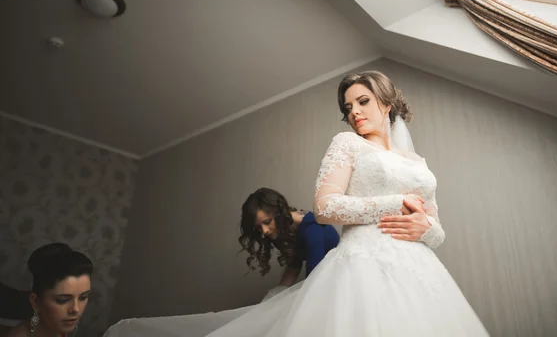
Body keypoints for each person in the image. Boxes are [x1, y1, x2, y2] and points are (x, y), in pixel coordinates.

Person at [103, 70, 487, 337]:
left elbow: (436, 228)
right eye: (347, 106)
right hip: (362, 266)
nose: (353, 111)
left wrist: (427, 229)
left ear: (387, 103)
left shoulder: (418, 164)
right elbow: (325, 207)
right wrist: (394, 202)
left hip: (420, 272)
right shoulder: (347, 144)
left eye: (363, 101)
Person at [239, 187, 340, 301]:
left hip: (336, 279)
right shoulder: (281, 230)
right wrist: (273, 298)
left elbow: (314, 273)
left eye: (267, 222)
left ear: (279, 214)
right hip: (318, 278)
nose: (265, 231)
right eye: (259, 227)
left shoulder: (312, 228)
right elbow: (294, 265)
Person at [6, 243, 93, 337]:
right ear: (35, 302)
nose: (76, 309)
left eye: (83, 297)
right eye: (62, 300)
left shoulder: (58, 327)